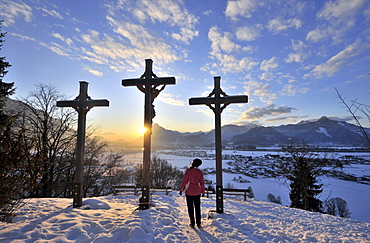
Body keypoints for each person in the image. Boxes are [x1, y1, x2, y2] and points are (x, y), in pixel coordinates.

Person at [179, 158, 205, 228]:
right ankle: (198, 223)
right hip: (197, 192)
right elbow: (202, 182)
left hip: (189, 192)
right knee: (197, 208)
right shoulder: (199, 172)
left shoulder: (188, 171)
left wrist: (181, 189)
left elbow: (184, 181)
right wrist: (203, 191)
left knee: (190, 208)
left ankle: (192, 223)